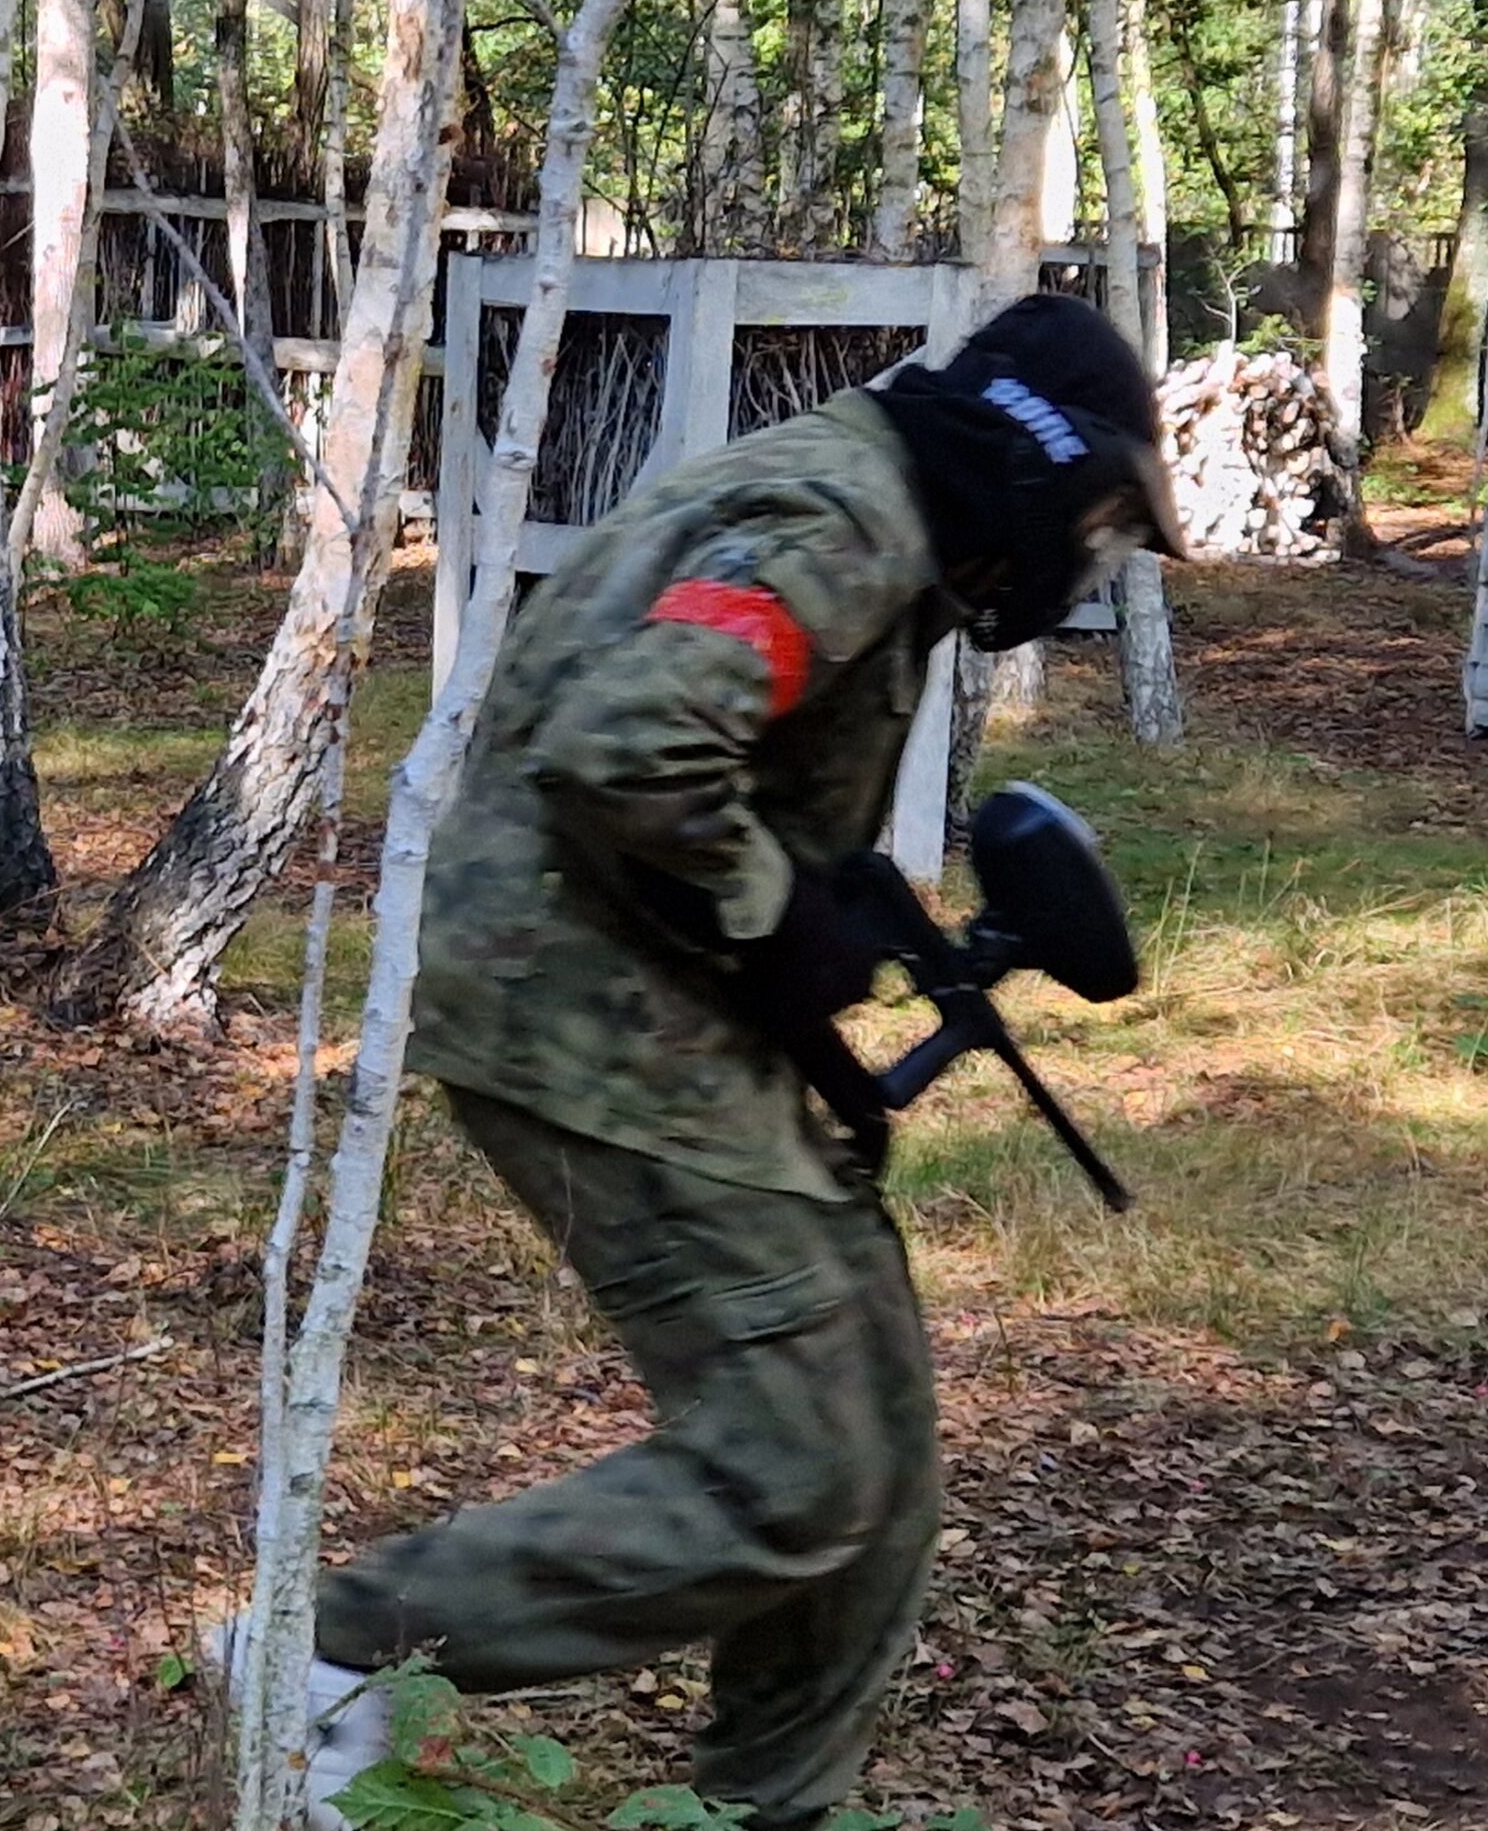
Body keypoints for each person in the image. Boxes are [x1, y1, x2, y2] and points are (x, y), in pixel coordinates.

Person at [232, 292, 1187, 1831]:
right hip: (584, 1016)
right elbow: (632, 743)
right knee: (797, 1473)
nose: (1089, 558)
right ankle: (325, 1658)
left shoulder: (883, 507)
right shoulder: (846, 516)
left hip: (659, 1001)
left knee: (876, 1461)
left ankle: (771, 1812)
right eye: (1100, 520)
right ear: (1039, 457)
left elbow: (711, 761)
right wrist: (777, 914)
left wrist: (796, 929)